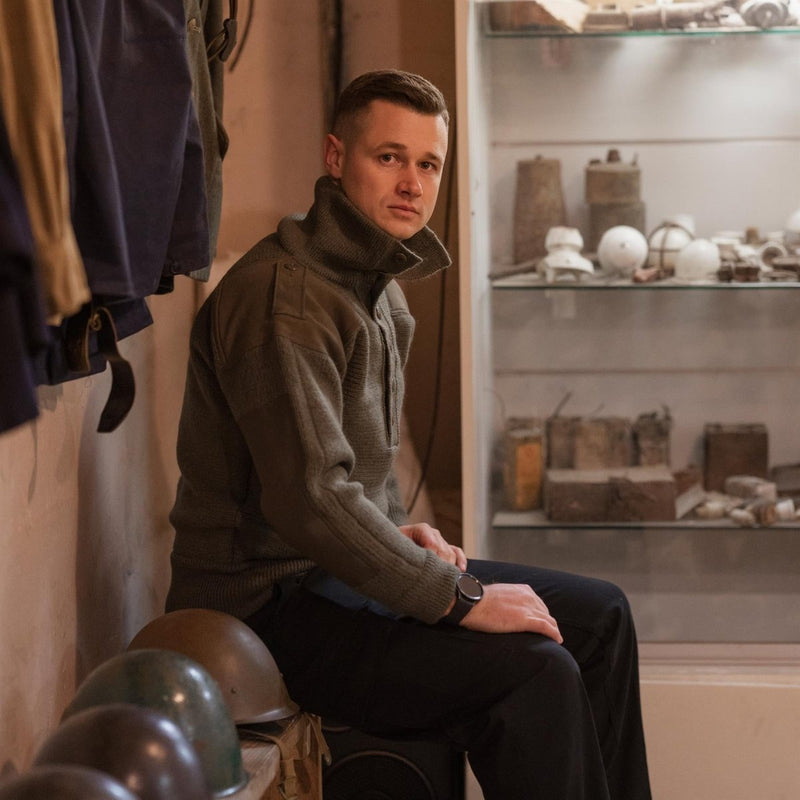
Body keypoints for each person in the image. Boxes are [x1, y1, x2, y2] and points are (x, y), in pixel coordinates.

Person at [166, 69, 652, 799]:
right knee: (533, 675)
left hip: (332, 578)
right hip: (268, 606)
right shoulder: (284, 302)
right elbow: (312, 501)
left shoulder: (380, 293)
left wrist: (401, 531)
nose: (412, 184)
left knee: (601, 618)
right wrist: (458, 598)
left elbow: (358, 480)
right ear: (336, 158)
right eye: (388, 157)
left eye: (428, 164)